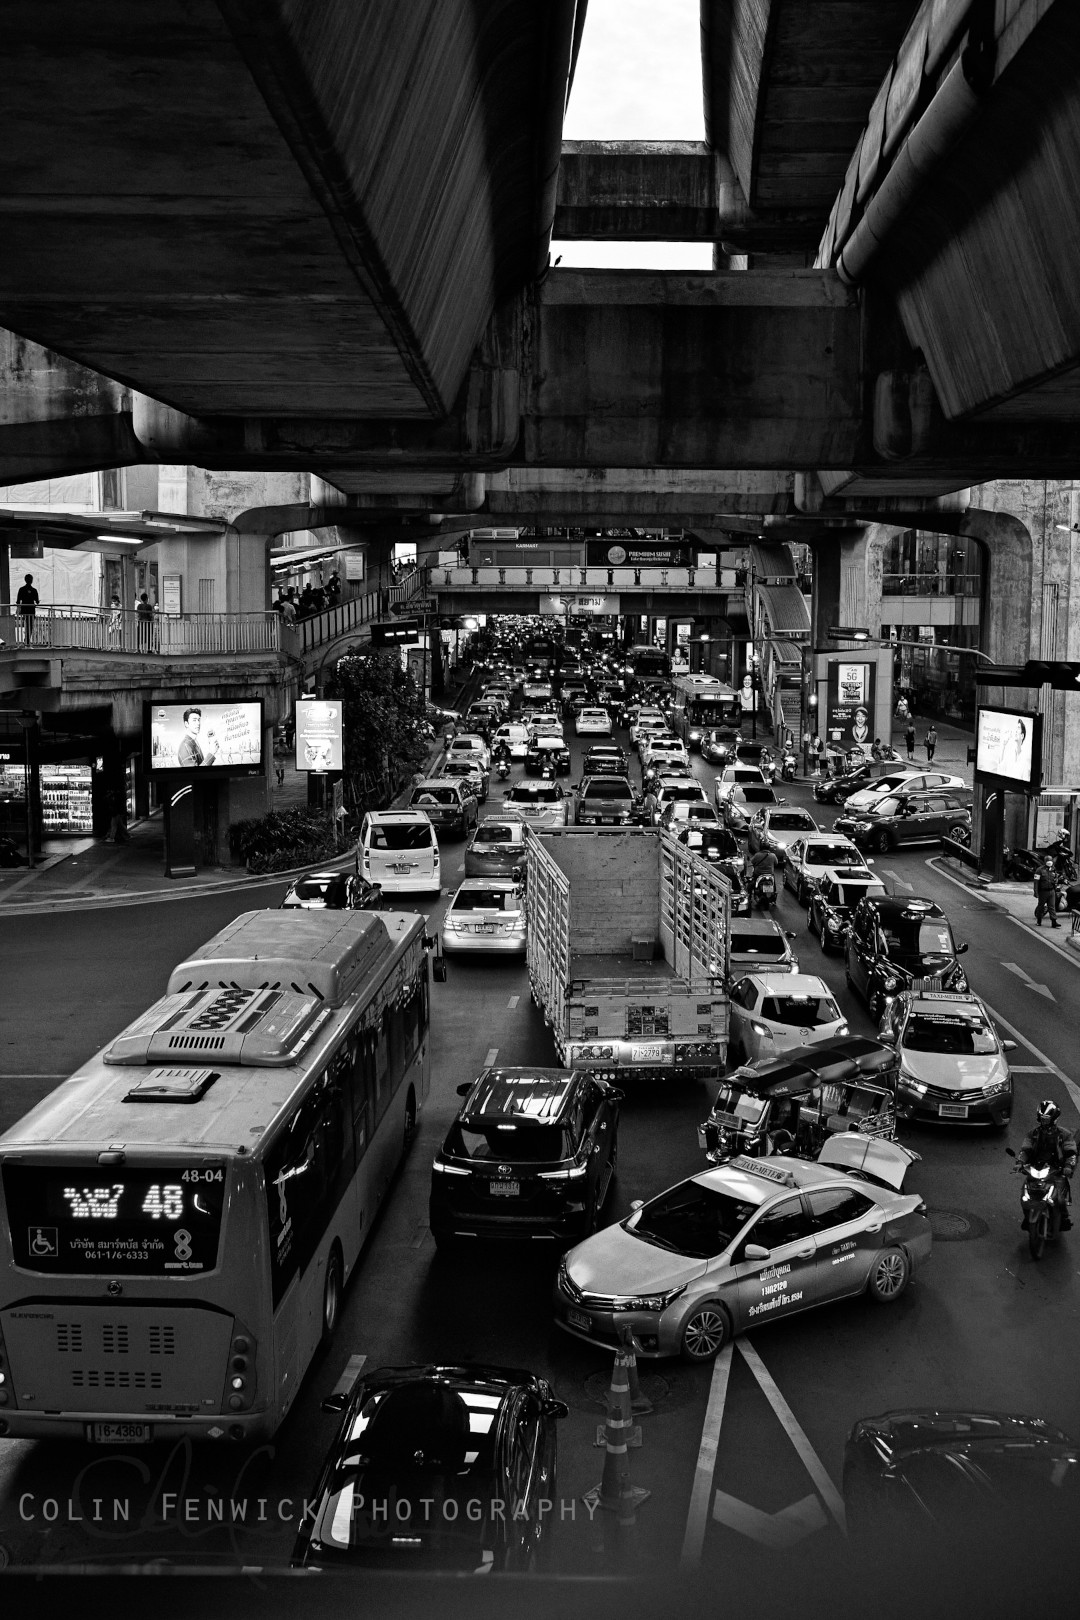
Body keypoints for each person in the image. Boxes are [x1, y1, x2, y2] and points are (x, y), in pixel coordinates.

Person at [1018, 1100, 1077, 1229]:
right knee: (1025, 1194)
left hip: (1057, 1169)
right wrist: (1020, 1162)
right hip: (1036, 1168)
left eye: (1046, 1118)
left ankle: (1064, 1218)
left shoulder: (1064, 1134)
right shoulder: (1033, 1133)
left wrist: (1068, 1167)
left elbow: (1071, 1152)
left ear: (1054, 1119)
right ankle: (1027, 1218)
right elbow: (1025, 1149)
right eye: (1041, 1118)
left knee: (1059, 1198)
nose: (1043, 1121)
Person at [1034, 858, 1061, 927]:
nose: (1049, 862)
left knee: (1052, 906)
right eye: (1048, 861)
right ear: (1045, 861)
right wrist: (1036, 892)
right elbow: (1036, 882)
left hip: (1051, 890)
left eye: (1050, 861)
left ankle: (1054, 922)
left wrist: (1056, 881)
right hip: (1043, 891)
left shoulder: (1053, 869)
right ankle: (1039, 920)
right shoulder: (1039, 870)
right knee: (1041, 906)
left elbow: (1056, 878)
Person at [15, 573, 38, 645]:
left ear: (25, 580)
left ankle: (26, 639)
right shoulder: (34, 590)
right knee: (30, 625)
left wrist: (18, 608)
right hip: (31, 610)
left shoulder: (21, 589)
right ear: (32, 580)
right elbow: (37, 601)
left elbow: (18, 601)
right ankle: (27, 640)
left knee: (26, 624)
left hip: (24, 609)